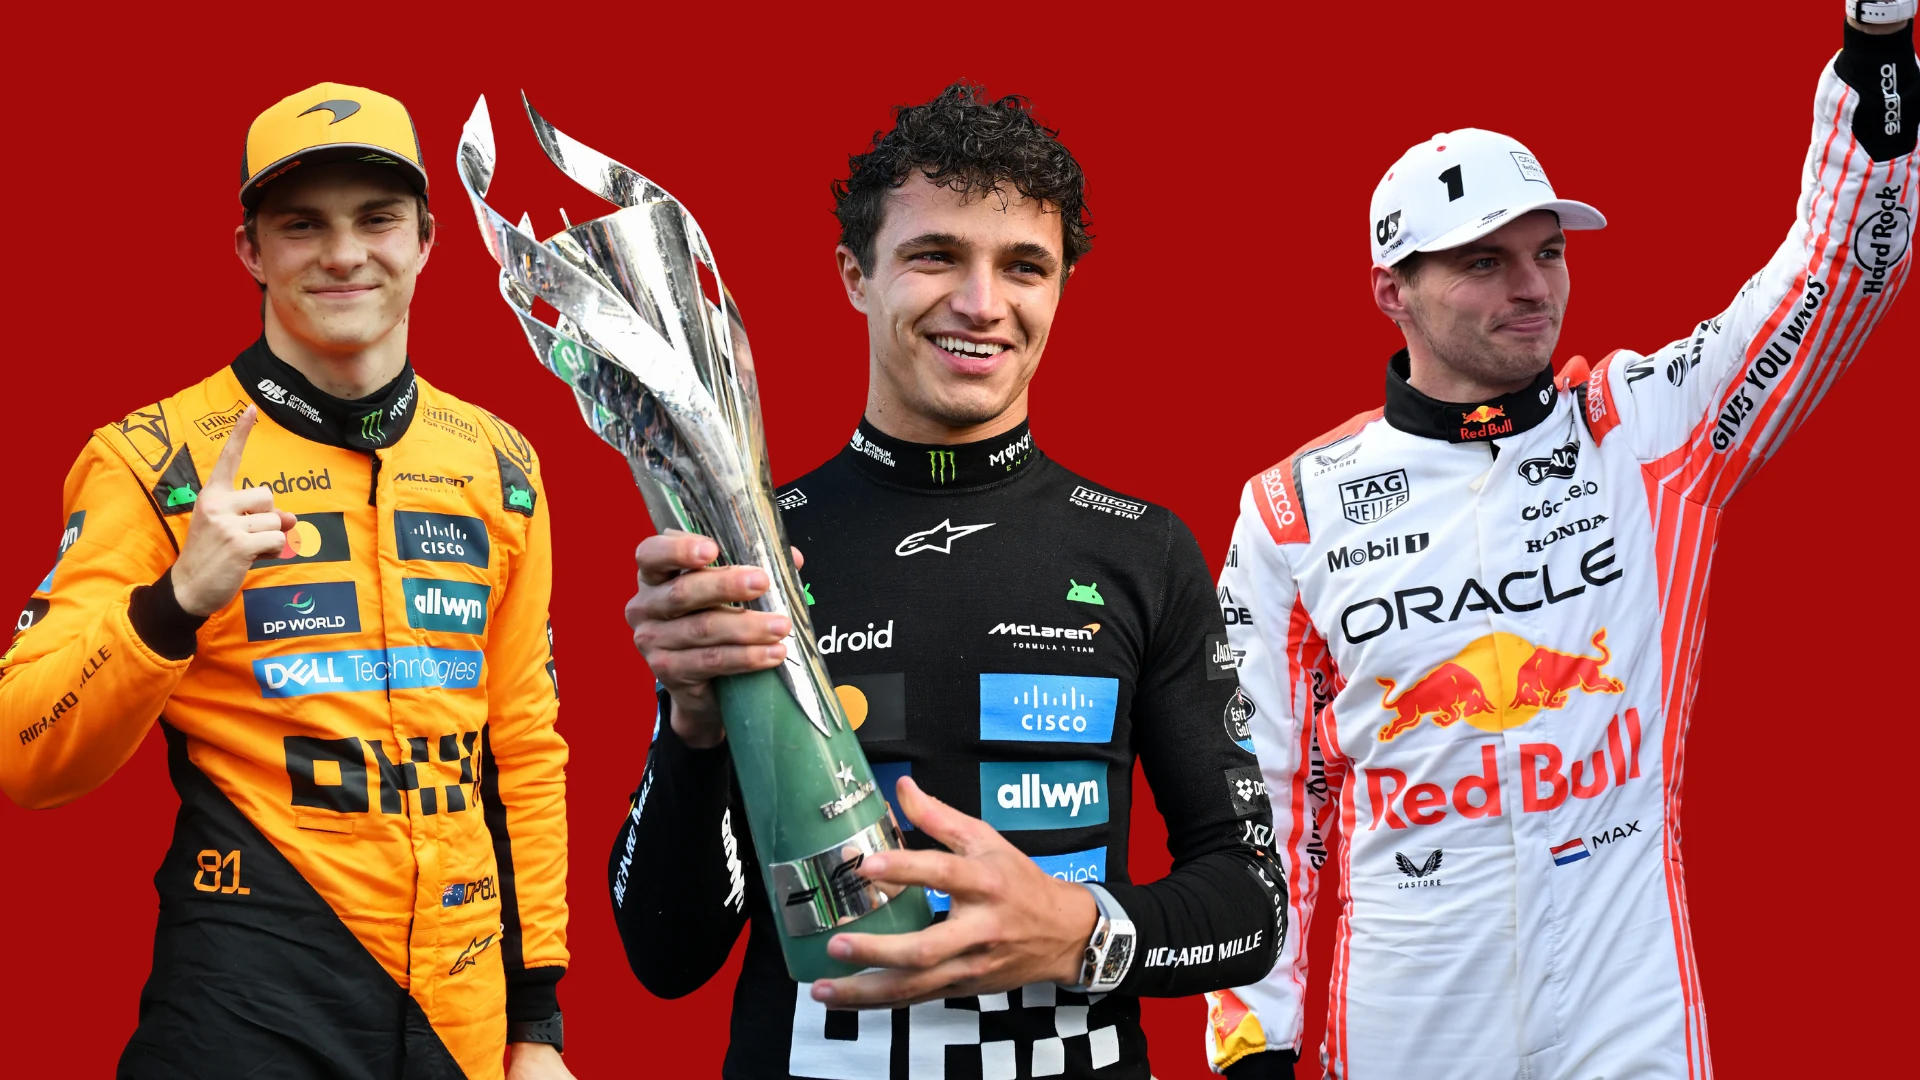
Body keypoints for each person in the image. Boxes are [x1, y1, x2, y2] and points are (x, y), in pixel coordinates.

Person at [1208, 7, 1917, 1078]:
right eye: (1484, 262)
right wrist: (1255, 1038)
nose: (1533, 286)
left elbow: (1833, 275)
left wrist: (1878, 48)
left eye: (1546, 253)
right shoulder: (1292, 509)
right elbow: (1260, 790)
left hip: (1623, 1002)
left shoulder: (1645, 431)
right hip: (1413, 1007)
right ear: (1391, 290)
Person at [610, 83, 1287, 1079]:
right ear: (855, 275)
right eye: (935, 256)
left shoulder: (1144, 550)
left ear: (1060, 289)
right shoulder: (752, 544)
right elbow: (667, 956)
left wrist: (1080, 929)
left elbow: (1252, 906)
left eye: (1024, 267)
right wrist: (693, 728)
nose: (981, 304)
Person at [0, 83, 575, 1080]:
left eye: (376, 219)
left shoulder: (500, 462)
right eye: (302, 225)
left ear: (427, 239)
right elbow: (26, 752)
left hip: (464, 1017)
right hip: (246, 1006)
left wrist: (538, 1023)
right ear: (250, 252)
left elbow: (521, 746)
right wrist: (175, 601)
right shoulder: (152, 459)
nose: (344, 254)